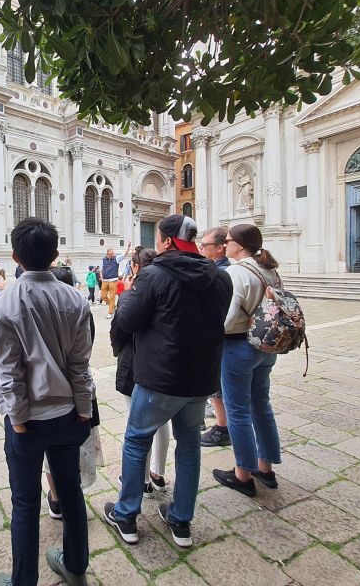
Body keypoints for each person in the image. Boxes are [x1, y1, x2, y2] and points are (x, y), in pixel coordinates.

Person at [103, 215, 232, 549]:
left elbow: (128, 320)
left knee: (136, 441)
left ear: (169, 241)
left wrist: (130, 294)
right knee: (188, 446)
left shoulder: (154, 275)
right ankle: (180, 520)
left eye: (160, 238)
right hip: (201, 379)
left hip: (160, 378)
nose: (158, 243)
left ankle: (126, 515)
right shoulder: (220, 278)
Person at [0, 217, 95, 586]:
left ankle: (24, 581)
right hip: (69, 415)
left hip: (28, 420)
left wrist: (17, 419)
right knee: (70, 490)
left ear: (16, 256)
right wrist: (84, 410)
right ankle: (76, 565)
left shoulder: (6, 301)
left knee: (25, 502)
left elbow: (7, 370)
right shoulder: (75, 298)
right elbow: (80, 366)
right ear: (55, 255)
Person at [212, 224, 285, 498]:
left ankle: (243, 474)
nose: (225, 244)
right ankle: (265, 468)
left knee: (239, 411)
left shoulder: (236, 272)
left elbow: (229, 319)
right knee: (262, 406)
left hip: (238, 347)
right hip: (266, 346)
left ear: (239, 245)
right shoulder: (270, 271)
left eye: (228, 241)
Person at [44, 266, 104, 520]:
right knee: (80, 442)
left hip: (49, 389)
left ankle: (56, 499)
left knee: (51, 448)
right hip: (80, 387)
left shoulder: (42, 311)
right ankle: (73, 494)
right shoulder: (82, 310)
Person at [111, 246, 169, 495]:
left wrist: (125, 293)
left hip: (135, 364)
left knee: (137, 424)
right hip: (163, 365)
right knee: (160, 421)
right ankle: (158, 473)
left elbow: (119, 331)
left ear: (135, 268)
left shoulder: (135, 294)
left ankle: (142, 480)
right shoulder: (168, 289)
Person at [198, 227, 232, 447]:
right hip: (219, 337)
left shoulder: (221, 273)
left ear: (220, 248)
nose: (201, 249)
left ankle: (222, 427)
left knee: (217, 385)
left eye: (205, 245)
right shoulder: (219, 269)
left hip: (220, 339)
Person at [99, 242, 132, 319]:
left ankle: (110, 312)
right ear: (107, 254)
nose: (112, 255)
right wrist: (102, 278)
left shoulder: (116, 258)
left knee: (112, 297)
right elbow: (101, 269)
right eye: (111, 254)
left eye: (113, 253)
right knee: (103, 296)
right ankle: (113, 306)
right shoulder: (103, 260)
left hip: (113, 280)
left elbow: (124, 255)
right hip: (105, 280)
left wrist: (128, 247)